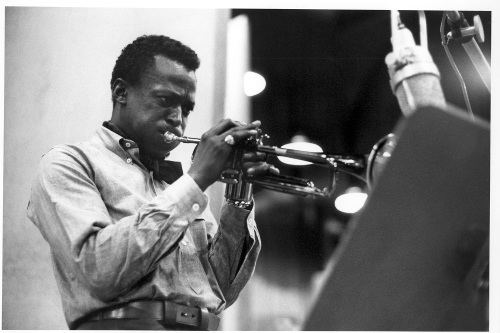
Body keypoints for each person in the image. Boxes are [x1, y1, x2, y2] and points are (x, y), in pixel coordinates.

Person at [27, 35, 278, 330]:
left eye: (186, 109)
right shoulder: (69, 163)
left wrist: (239, 194)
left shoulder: (177, 187)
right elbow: (99, 270)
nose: (178, 119)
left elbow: (221, 289)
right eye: (165, 100)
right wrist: (197, 179)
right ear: (121, 92)